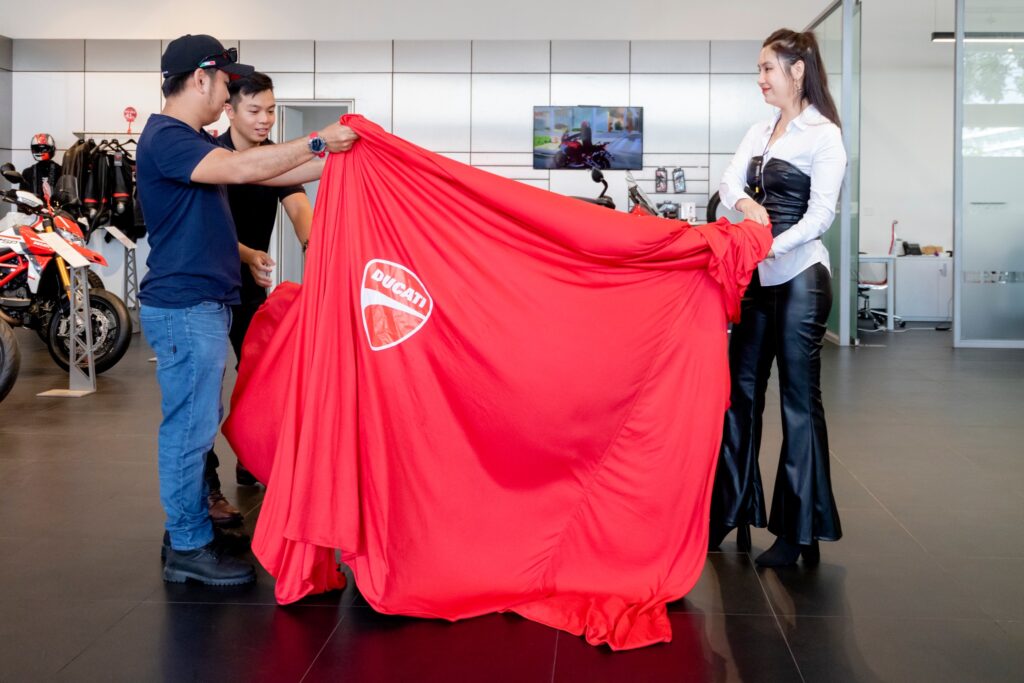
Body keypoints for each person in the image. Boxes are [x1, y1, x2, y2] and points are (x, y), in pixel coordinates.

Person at [137, 34, 357, 586]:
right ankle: (188, 544)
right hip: (187, 307)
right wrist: (319, 141)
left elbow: (265, 173)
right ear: (201, 78)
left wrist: (342, 157)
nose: (228, 96)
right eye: (226, 85)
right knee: (189, 429)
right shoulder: (168, 137)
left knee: (197, 423)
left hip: (202, 305)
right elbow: (243, 171)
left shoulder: (189, 140)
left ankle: (189, 529)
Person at [708, 28, 846, 566]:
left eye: (768, 68)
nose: (760, 79)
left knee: (798, 402)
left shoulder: (824, 135)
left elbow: (821, 217)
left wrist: (766, 246)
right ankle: (729, 510)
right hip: (758, 280)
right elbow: (728, 182)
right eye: (760, 70)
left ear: (797, 70)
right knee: (738, 394)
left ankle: (799, 531)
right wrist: (747, 206)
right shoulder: (761, 130)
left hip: (801, 279)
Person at [201, 72, 315, 523]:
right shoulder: (209, 158)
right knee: (204, 394)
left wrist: (314, 246)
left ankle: (253, 456)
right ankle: (207, 487)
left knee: (261, 377)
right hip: (208, 290)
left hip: (251, 291)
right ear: (229, 110)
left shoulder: (274, 157)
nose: (265, 119)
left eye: (270, 110)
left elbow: (298, 206)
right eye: (254, 110)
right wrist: (248, 253)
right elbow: (206, 230)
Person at [19, 133, 61, 198]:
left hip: (55, 204)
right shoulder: (28, 173)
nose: (40, 151)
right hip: (33, 204)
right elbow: (23, 197)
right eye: (37, 149)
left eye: (44, 149)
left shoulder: (60, 170)